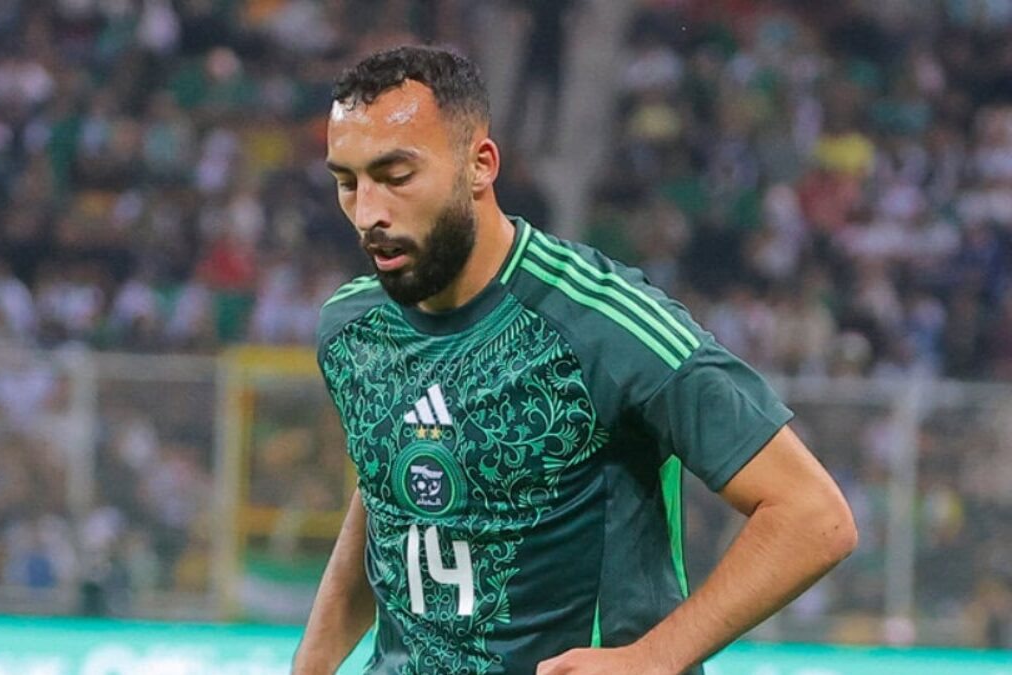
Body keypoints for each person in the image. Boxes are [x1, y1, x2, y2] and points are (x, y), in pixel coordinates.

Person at [293, 45, 857, 675]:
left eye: (397, 176)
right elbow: (386, 495)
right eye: (348, 183)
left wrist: (652, 659)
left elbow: (813, 516)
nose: (368, 212)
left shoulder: (605, 323)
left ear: (479, 165)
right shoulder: (351, 329)